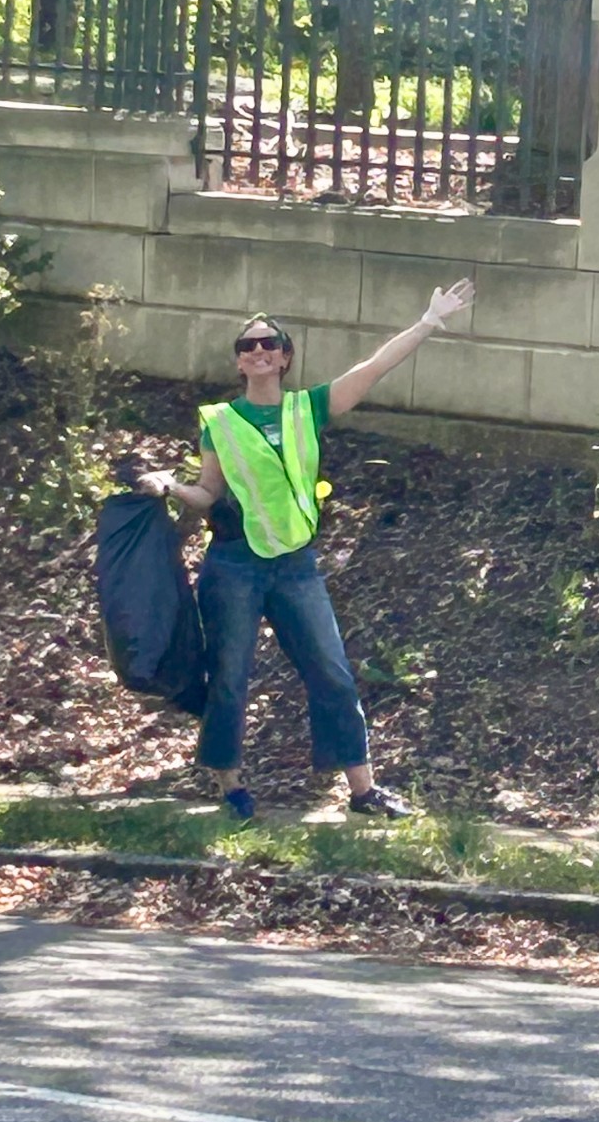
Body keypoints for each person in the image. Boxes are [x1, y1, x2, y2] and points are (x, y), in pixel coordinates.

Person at [138, 279, 475, 821]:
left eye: (268, 343)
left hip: (296, 566)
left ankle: (363, 791)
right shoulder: (221, 422)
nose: (258, 351)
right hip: (235, 565)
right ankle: (231, 787)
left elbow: (373, 367)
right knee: (229, 677)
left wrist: (428, 321)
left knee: (331, 671)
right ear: (239, 362)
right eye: (247, 346)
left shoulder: (308, 407)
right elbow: (208, 493)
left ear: (285, 357)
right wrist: (170, 486)